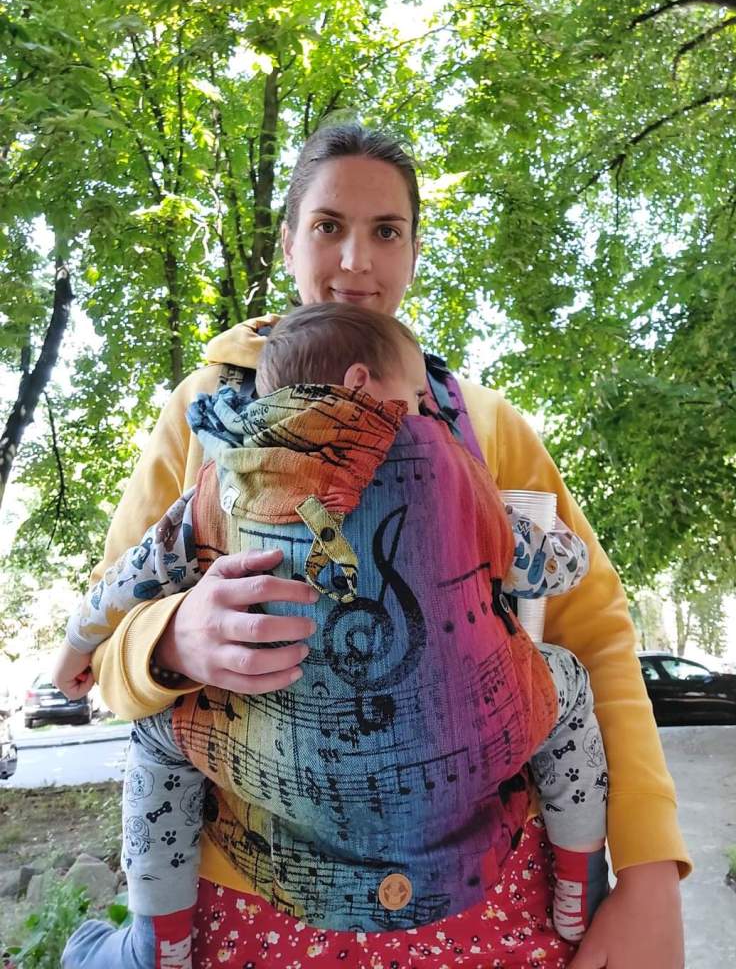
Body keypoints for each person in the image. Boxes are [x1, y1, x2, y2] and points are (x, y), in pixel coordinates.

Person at [81, 125, 688, 968]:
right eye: (328, 225)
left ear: (413, 252)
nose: (356, 260)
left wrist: (651, 872)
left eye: (387, 231)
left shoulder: (487, 424)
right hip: (250, 909)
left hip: (494, 904)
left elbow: (596, 637)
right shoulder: (200, 417)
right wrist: (171, 639)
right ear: (288, 241)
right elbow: (106, 642)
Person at [59, 303, 607, 969]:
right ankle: (582, 877)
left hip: (276, 776)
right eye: (416, 398)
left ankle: (160, 938)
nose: (423, 413)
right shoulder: (456, 465)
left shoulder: (221, 475)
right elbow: (554, 570)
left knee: (156, 735)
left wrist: (76, 648)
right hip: (471, 758)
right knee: (566, 682)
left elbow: (127, 580)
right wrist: (562, 544)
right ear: (360, 383)